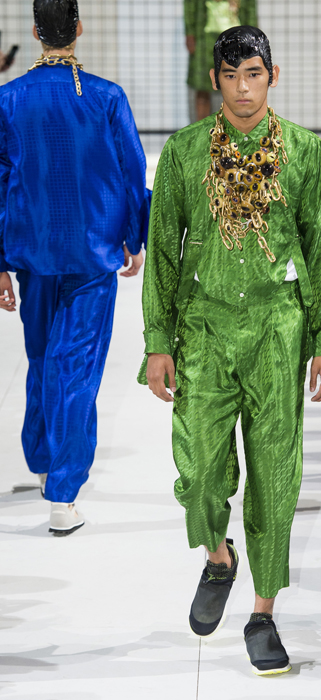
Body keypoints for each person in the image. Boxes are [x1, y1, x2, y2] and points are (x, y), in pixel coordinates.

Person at [139, 25, 321, 675]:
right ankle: (218, 557)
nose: (242, 89)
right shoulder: (184, 152)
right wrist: (156, 341)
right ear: (214, 80)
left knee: (275, 474)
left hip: (278, 329)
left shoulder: (304, 152)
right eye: (230, 76)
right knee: (200, 471)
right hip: (203, 328)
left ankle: (262, 614)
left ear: (272, 76)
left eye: (253, 74)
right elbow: (162, 251)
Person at [0, 0, 149, 535]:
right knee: (76, 366)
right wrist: (135, 235)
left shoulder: (8, 99)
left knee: (43, 355)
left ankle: (42, 462)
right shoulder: (106, 97)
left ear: (35, 31)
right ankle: (63, 494)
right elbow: (132, 169)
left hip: (33, 249)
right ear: (79, 29)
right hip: (92, 249)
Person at [184, 0, 257, 122]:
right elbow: (190, 5)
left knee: (237, 88)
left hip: (236, 40)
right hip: (204, 40)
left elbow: (250, 10)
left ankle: (232, 129)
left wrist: (252, 38)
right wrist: (190, 33)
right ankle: (202, 131)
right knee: (202, 88)